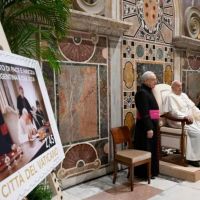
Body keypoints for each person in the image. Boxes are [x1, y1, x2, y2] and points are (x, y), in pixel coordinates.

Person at [163, 80, 200, 167]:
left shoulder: (183, 95)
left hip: (191, 119)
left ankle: (198, 155)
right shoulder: (170, 97)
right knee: (197, 133)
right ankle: (192, 158)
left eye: (181, 86)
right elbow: (173, 112)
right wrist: (184, 117)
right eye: (178, 86)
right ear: (172, 87)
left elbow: (192, 107)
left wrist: (198, 113)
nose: (180, 88)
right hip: (177, 121)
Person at [134, 71, 159, 179]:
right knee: (146, 150)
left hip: (152, 125)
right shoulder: (142, 93)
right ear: (146, 81)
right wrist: (149, 128)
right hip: (145, 128)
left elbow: (152, 109)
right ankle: (143, 173)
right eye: (153, 79)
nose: (155, 81)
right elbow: (144, 112)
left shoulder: (149, 91)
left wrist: (157, 120)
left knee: (152, 150)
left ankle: (151, 172)